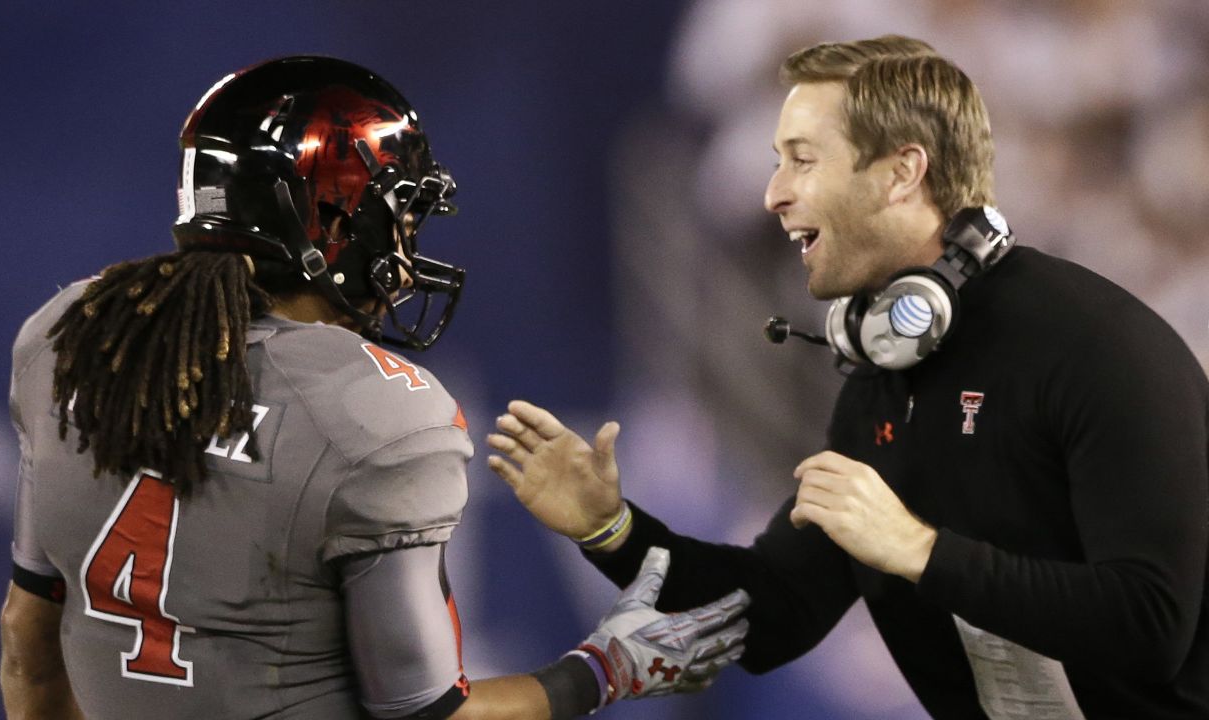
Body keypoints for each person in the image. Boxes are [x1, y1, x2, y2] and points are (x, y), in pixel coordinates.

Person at [0, 56, 751, 720]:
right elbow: (428, 714)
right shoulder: (377, 411)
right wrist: (605, 671)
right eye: (397, 214)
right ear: (329, 219)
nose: (406, 244)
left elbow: (28, 647)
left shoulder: (74, 335)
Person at [486, 35, 1209, 719]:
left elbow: (1149, 625)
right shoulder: (881, 386)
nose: (773, 193)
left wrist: (922, 551)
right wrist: (610, 529)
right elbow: (769, 614)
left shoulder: (1099, 349)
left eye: (803, 159)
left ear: (902, 173)